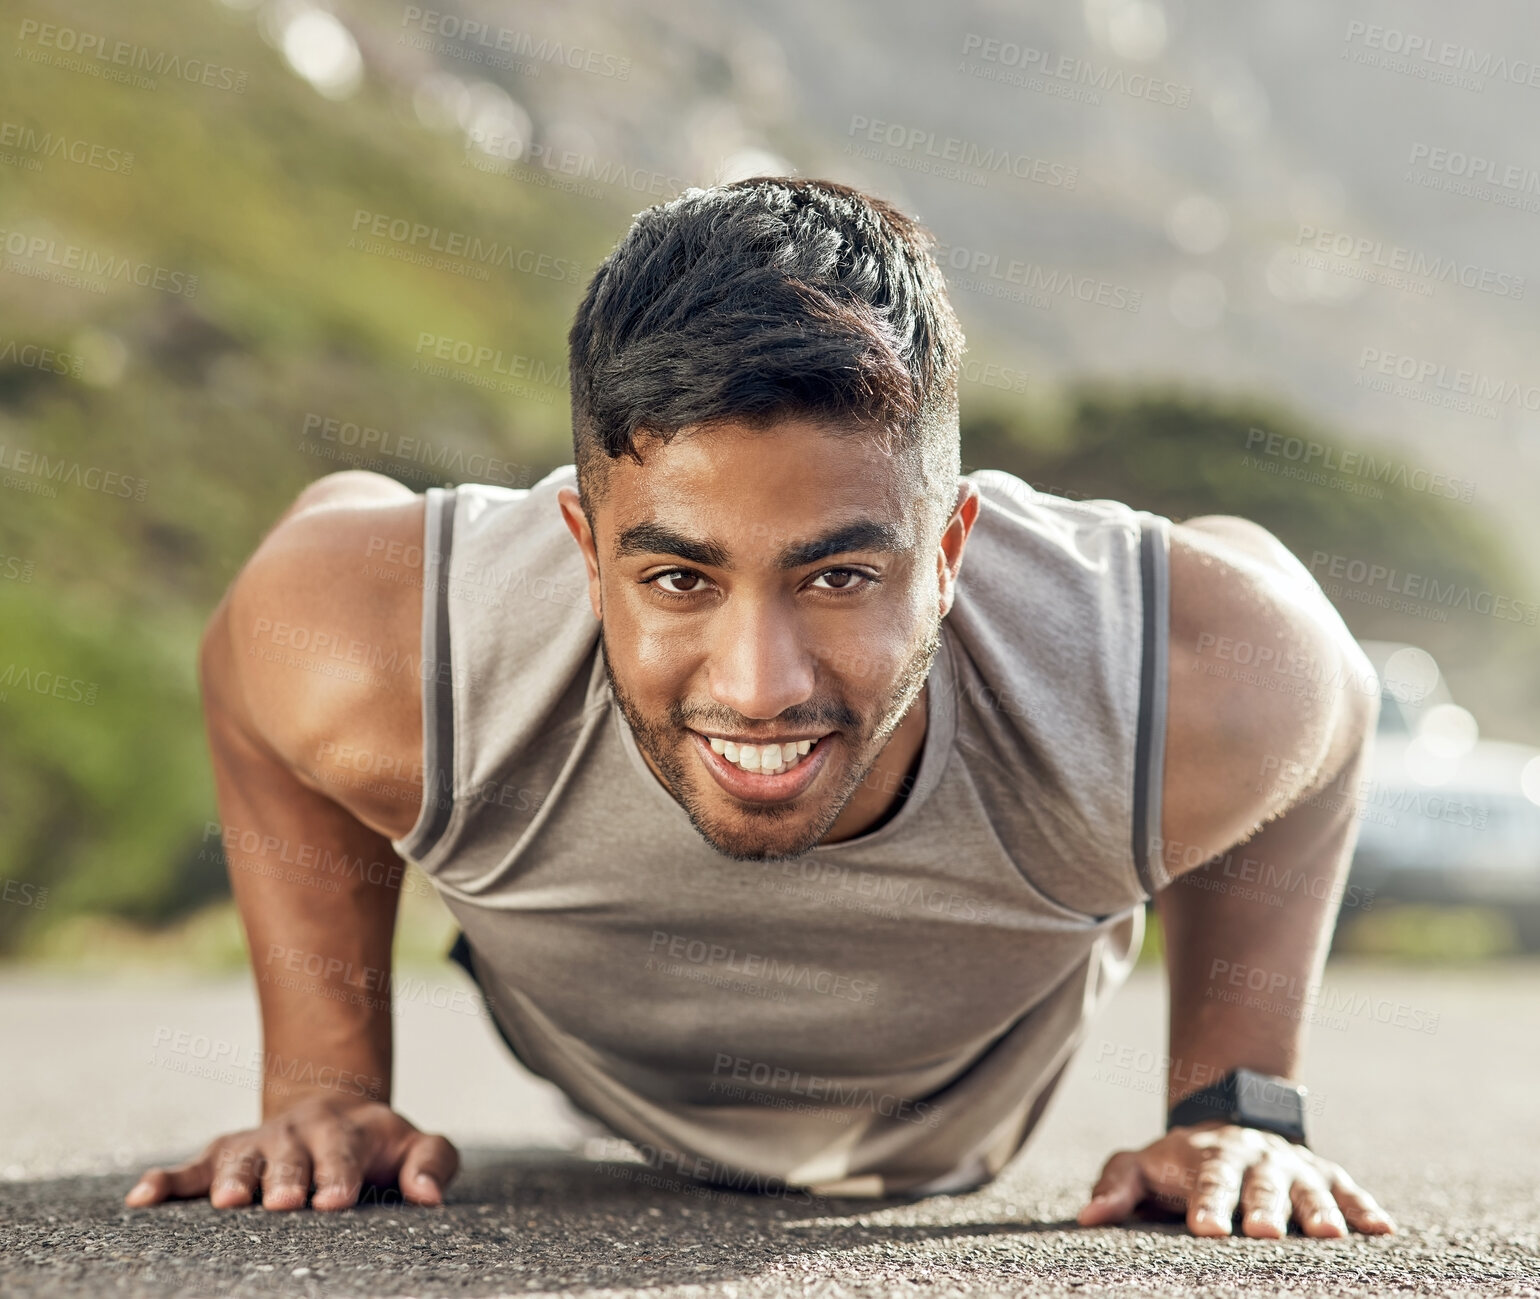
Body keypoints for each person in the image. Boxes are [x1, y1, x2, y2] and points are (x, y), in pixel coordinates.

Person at [126, 177, 1395, 1239]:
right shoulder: (388, 642)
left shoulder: (1169, 666)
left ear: (952, 547)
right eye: (680, 576)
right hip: (587, 1062)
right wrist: (323, 1083)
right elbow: (253, 669)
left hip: (959, 1108)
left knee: (1235, 601)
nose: (759, 684)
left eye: (838, 575)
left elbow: (1330, 708)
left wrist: (1233, 1106)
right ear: (582, 546)